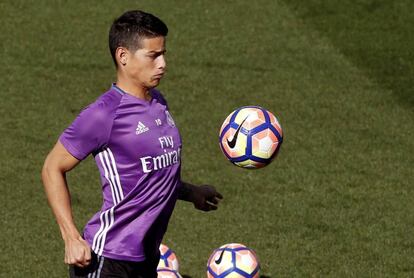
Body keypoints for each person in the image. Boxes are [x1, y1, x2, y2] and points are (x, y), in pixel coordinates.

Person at [41, 10, 223, 278]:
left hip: (146, 257)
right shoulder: (104, 114)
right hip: (108, 258)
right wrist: (70, 237)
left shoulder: (159, 102)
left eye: (163, 53)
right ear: (123, 56)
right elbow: (51, 168)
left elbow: (153, 174)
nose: (163, 64)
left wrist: (191, 192)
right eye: (153, 56)